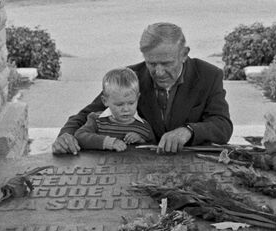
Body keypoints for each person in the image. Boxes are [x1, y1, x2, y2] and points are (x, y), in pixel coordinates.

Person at [52, 22, 233, 155]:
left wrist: (188, 131)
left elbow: (222, 125)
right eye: (151, 63)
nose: (159, 72)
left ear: (184, 54)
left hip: (191, 168)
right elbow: (85, 115)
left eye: (166, 63)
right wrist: (65, 136)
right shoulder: (131, 77)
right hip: (138, 167)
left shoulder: (209, 75)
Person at [73, 68, 155, 152]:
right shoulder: (97, 121)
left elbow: (153, 148)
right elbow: (79, 136)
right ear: (105, 101)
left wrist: (140, 140)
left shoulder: (144, 127)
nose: (126, 109)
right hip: (100, 164)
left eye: (131, 103)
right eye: (119, 104)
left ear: (137, 98)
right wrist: (108, 142)